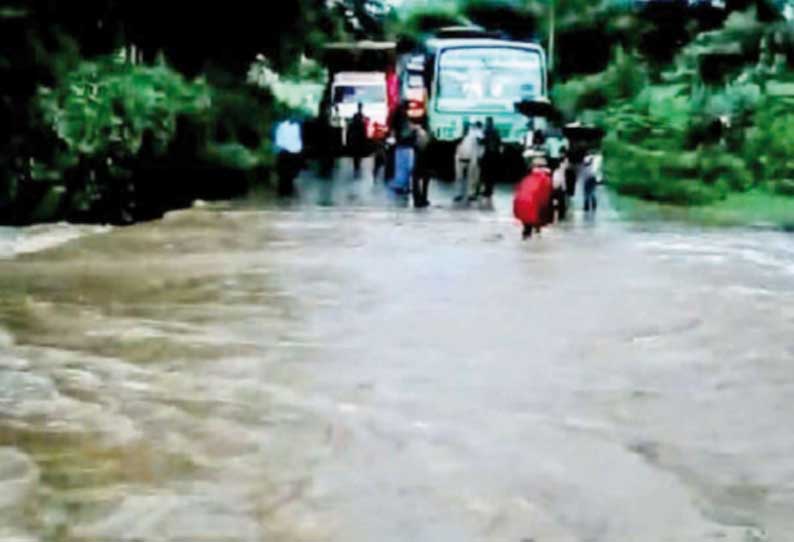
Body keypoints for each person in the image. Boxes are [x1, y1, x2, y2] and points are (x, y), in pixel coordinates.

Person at [513, 157, 554, 239]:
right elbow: (546, 196)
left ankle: (527, 237)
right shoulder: (545, 179)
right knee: (536, 224)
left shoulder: (526, 178)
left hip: (521, 206)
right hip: (534, 207)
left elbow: (518, 190)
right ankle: (535, 235)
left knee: (527, 228)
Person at [454, 121, 483, 203]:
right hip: (460, 159)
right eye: (464, 127)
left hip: (471, 159)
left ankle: (471, 194)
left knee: (472, 178)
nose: (465, 129)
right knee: (459, 178)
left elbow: (480, 142)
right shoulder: (459, 135)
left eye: (467, 127)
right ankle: (458, 194)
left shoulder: (474, 135)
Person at [390, 102, 416, 195]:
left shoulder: (397, 116)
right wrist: (413, 130)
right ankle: (403, 185)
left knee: (400, 167)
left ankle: (401, 185)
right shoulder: (403, 117)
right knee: (406, 166)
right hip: (406, 145)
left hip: (400, 145)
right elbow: (406, 132)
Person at [274, 116, 304, 197]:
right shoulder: (294, 126)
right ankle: (286, 189)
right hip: (289, 152)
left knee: (285, 173)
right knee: (287, 173)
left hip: (285, 152)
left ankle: (285, 189)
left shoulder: (282, 126)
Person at [479, 117, 502, 204]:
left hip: (488, 154)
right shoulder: (496, 131)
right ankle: (490, 190)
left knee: (486, 173)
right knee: (492, 174)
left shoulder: (487, 131)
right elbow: (499, 142)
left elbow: (483, 141)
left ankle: (487, 190)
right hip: (494, 155)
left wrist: (479, 140)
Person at [412, 123, 432, 208]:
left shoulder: (417, 133)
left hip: (419, 159)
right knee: (425, 181)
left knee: (416, 180)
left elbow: (416, 145)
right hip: (426, 159)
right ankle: (423, 198)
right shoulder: (426, 134)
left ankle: (417, 199)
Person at [348, 102, 368, 178]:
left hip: (357, 138)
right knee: (358, 153)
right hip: (359, 138)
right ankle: (357, 165)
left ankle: (357, 166)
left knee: (356, 153)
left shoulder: (357, 117)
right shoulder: (361, 118)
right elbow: (363, 129)